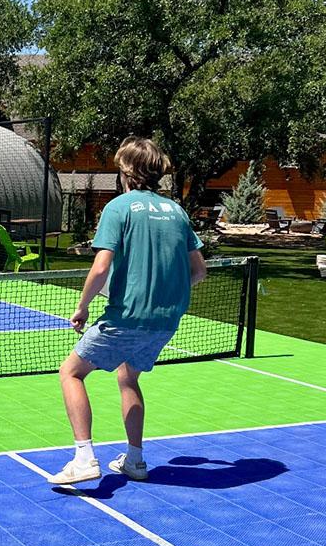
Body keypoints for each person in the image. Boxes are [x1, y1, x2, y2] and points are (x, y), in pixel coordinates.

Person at [47, 137, 207, 485]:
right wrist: (164, 294)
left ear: (127, 172)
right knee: (127, 377)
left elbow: (101, 268)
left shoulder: (119, 208)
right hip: (165, 321)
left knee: (70, 373)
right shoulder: (177, 213)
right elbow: (199, 272)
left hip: (125, 317)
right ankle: (135, 460)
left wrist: (82, 307)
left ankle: (84, 458)